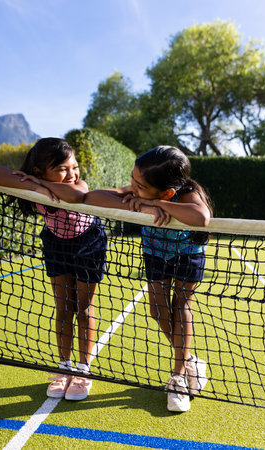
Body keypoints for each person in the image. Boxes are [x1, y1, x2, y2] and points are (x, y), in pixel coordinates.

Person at [83, 145, 212, 412]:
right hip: (155, 252)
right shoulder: (138, 188)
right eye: (132, 179)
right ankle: (190, 360)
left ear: (167, 192)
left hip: (188, 254)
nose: (132, 186)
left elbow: (201, 217)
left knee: (181, 305)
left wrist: (153, 204)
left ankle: (178, 378)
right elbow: (91, 197)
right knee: (157, 309)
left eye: (138, 184)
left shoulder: (189, 193)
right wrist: (135, 196)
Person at [0, 137, 107, 401]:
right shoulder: (31, 184)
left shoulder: (76, 184)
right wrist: (31, 182)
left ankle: (84, 370)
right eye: (63, 169)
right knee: (63, 308)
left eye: (74, 167)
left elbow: (77, 195)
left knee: (83, 308)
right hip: (55, 244)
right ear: (39, 170)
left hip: (89, 242)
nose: (72, 174)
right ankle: (63, 368)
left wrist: (39, 183)